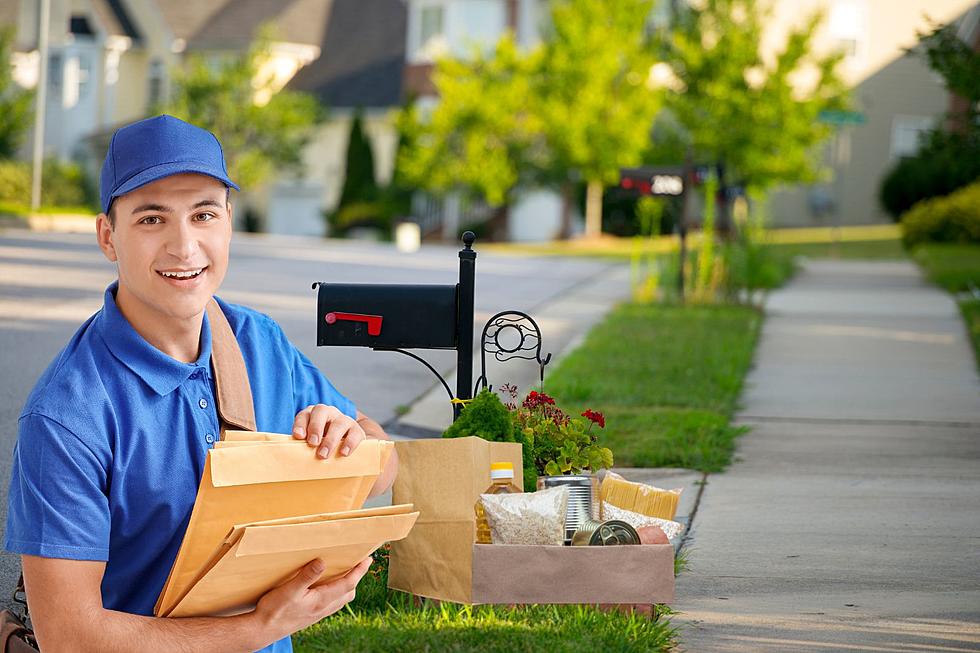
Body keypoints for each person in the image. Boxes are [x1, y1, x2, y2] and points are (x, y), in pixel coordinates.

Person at [4, 115, 398, 652]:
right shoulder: (68, 416)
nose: (184, 246)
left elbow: (385, 469)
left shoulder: (258, 341)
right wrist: (260, 629)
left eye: (204, 214)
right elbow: (71, 638)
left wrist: (354, 441)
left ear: (228, 222)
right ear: (107, 236)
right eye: (151, 219)